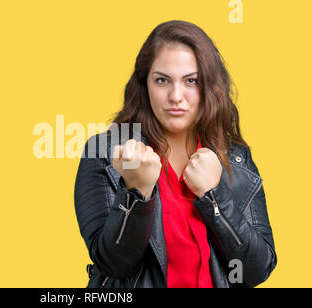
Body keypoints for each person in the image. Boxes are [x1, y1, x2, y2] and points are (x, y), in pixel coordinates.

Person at [74, 20, 277, 288]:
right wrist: (136, 192)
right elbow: (114, 264)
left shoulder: (235, 158)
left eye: (191, 81)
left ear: (209, 86)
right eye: (162, 80)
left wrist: (214, 195)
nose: (176, 96)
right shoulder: (107, 153)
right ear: (144, 84)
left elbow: (256, 269)